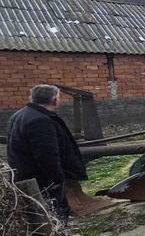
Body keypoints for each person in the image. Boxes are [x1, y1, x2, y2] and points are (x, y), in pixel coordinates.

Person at [6, 84, 87, 219]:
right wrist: (55, 179)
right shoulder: (41, 120)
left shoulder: (18, 115)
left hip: (23, 176)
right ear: (55, 100)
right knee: (55, 213)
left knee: (37, 214)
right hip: (42, 180)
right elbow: (47, 155)